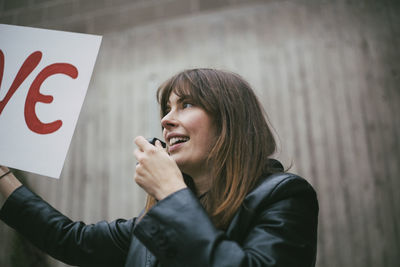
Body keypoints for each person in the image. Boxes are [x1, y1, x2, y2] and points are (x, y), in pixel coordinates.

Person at [0, 68, 318, 267]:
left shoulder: (284, 197)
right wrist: (4, 176)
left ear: (229, 123)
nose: (165, 120)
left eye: (186, 104)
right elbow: (72, 240)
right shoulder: (154, 221)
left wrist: (170, 190)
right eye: (166, 109)